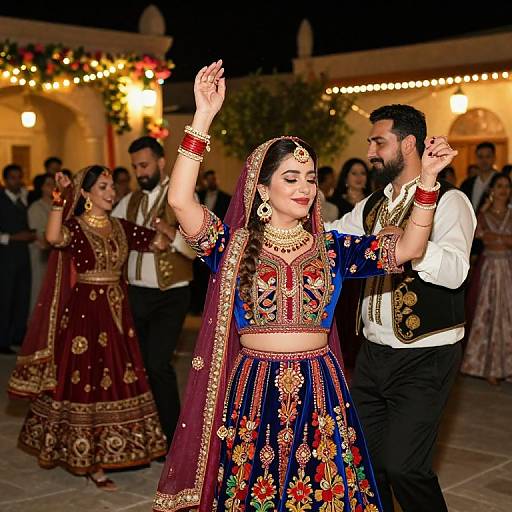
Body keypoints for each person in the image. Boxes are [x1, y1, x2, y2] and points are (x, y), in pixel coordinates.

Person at [153, 61, 453, 512]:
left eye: (311, 178)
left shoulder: (333, 249)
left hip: (319, 387)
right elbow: (179, 200)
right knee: (257, 494)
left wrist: (427, 183)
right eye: (291, 178)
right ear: (262, 187)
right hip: (255, 389)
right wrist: (201, 118)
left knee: (320, 494)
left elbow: (409, 248)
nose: (305, 188)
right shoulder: (232, 247)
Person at [327, 104, 476, 512]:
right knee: (364, 464)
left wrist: (413, 247)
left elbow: (456, 271)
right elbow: (332, 237)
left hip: (426, 356)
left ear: (408, 144)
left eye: (379, 141)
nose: (370, 150)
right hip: (373, 356)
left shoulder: (451, 202)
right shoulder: (372, 206)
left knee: (405, 467)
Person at [8, 165, 170, 490]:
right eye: (103, 188)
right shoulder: (77, 227)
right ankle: (90, 459)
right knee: (86, 381)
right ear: (85, 194)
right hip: (85, 314)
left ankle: (120, 447)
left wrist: (165, 231)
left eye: (112, 187)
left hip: (117, 314)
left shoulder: (121, 227)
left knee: (121, 376)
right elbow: (53, 238)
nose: (111, 193)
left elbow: (159, 245)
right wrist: (58, 200)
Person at [112, 136, 196, 445]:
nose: (140, 172)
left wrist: (170, 235)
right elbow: (112, 235)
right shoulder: (128, 201)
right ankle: (148, 434)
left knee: (159, 364)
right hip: (135, 294)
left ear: (162, 163)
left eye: (145, 165)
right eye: (135, 167)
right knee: (138, 365)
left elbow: (196, 248)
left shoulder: (182, 198)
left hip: (170, 295)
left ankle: (174, 439)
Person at [462, 173, 512, 385]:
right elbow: (476, 235)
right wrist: (502, 240)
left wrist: (498, 239)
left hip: (508, 269)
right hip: (489, 269)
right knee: (488, 314)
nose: (503, 190)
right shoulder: (483, 215)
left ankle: (507, 367)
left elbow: (503, 241)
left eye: (507, 186)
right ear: (491, 189)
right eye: (499, 186)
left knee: (508, 316)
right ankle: (487, 366)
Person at [0, 164, 36, 354]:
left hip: (22, 255)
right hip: (5, 257)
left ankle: (18, 335)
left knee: (22, 295)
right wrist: (13, 238)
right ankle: (3, 339)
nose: (16, 181)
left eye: (18, 177)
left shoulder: (23, 198)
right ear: (5, 180)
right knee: (5, 298)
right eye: (12, 178)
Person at [27, 173, 55, 312]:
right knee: (40, 290)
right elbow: (39, 234)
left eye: (54, 184)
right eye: (48, 184)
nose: (53, 187)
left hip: (56, 254)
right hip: (42, 254)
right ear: (41, 188)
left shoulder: (58, 205)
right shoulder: (36, 207)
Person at [460, 142, 497, 212]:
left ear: (494, 158)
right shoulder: (467, 184)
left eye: (488, 156)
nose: (484, 160)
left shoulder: (501, 182)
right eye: (480, 157)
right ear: (476, 158)